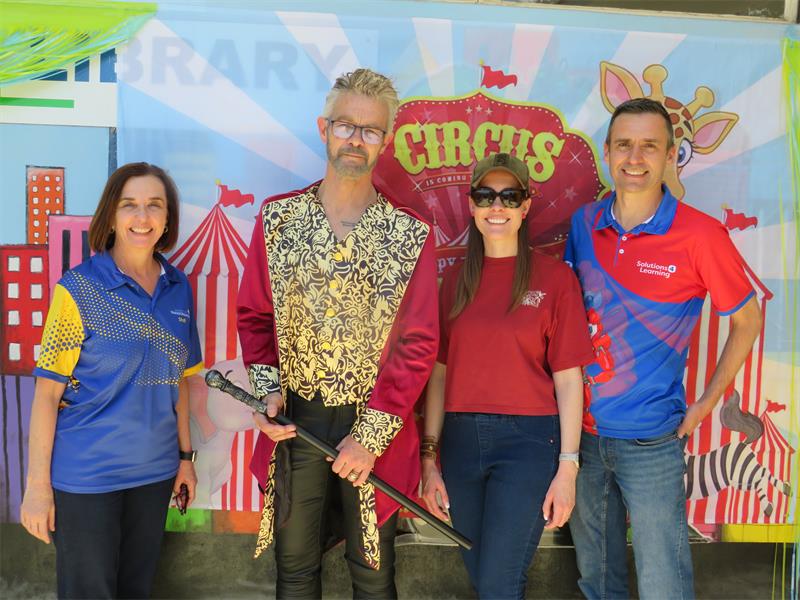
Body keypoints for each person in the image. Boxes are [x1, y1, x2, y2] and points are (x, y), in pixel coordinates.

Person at [236, 68, 438, 599]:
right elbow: (255, 316)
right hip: (296, 416)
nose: (356, 139)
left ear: (385, 141)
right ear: (324, 128)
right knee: (294, 568)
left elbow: (417, 345)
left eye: (370, 131)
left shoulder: (409, 234)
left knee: (373, 575)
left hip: (373, 422)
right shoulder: (278, 221)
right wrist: (267, 389)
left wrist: (371, 438)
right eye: (346, 125)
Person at [565, 98, 762, 599]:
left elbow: (747, 319)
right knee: (596, 582)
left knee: (663, 586)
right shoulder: (582, 225)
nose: (636, 158)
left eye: (649, 146)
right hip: (580, 442)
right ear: (607, 153)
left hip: (653, 442)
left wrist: (705, 406)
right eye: (624, 145)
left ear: (671, 155)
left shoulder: (701, 235)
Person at [20, 162, 203, 599]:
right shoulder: (78, 289)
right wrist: (36, 490)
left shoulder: (179, 288)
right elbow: (47, 395)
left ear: (167, 219)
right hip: (87, 477)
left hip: (154, 475)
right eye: (130, 205)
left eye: (154, 206)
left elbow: (180, 383)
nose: (143, 218)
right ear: (112, 215)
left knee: (134, 591)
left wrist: (185, 459)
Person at [421, 152, 593, 599]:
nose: (496, 206)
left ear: (525, 206)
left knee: (499, 583)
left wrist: (568, 468)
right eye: (485, 195)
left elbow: (569, 379)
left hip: (529, 444)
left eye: (509, 196)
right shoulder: (455, 279)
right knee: (485, 579)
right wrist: (428, 457)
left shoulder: (555, 280)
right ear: (472, 204)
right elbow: (438, 374)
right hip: (460, 444)